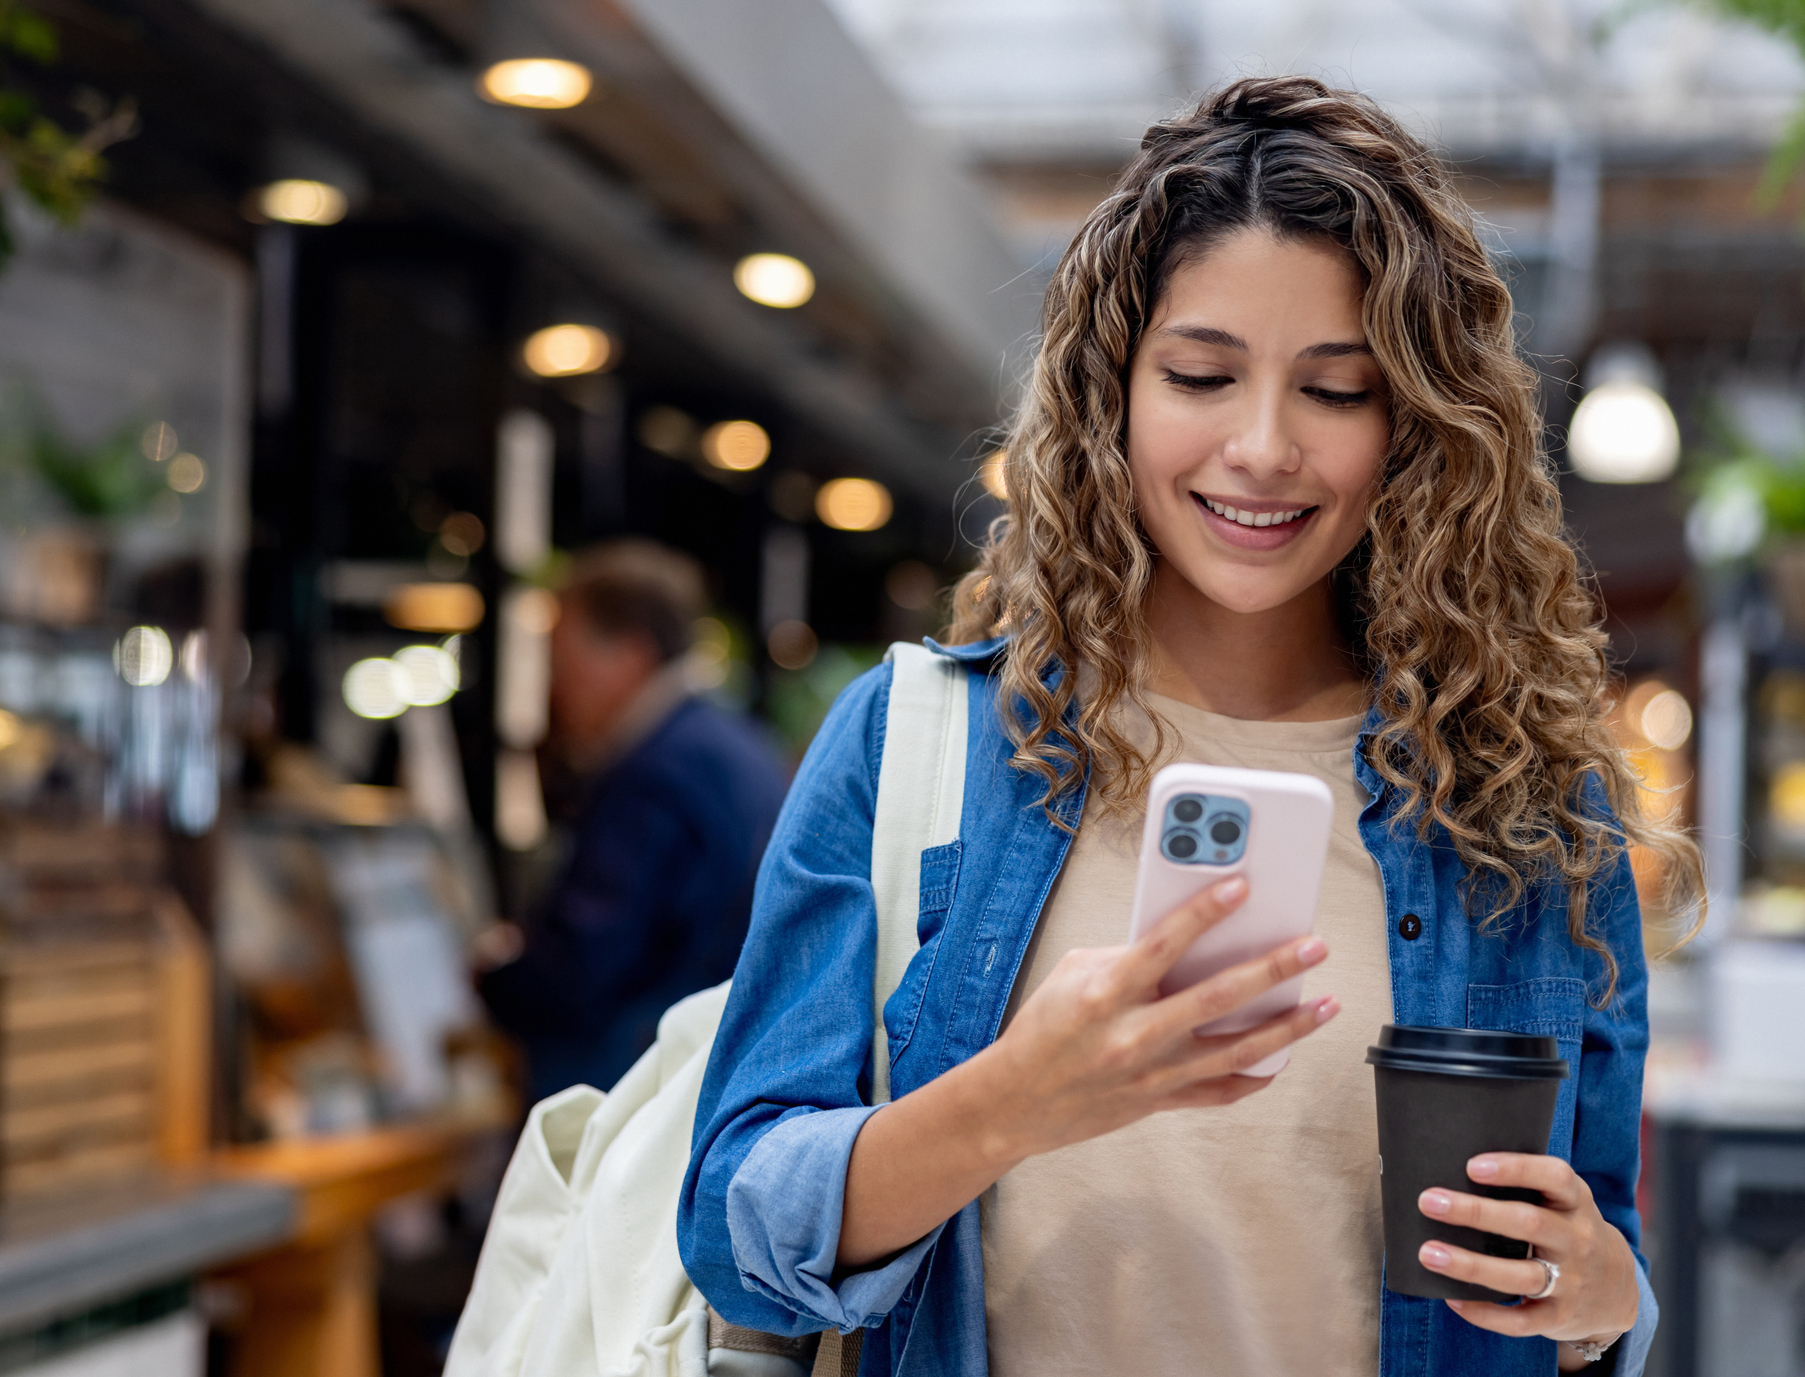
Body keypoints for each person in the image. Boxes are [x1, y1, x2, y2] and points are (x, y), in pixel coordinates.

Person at [678, 76, 1700, 1376]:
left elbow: (1597, 1266)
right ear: (1114, 391)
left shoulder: (1528, 807)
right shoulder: (918, 746)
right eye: (1204, 374)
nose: (1263, 445)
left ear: (1416, 428)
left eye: (1336, 390)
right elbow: (732, 1218)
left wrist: (1604, 1296)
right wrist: (1007, 1104)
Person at [477, 539, 786, 1099]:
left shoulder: (660, 770)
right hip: (718, 1074)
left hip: (638, 1086)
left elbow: (584, 964)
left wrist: (491, 977)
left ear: (630, 656)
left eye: (564, 662)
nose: (556, 688)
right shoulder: (734, 743)